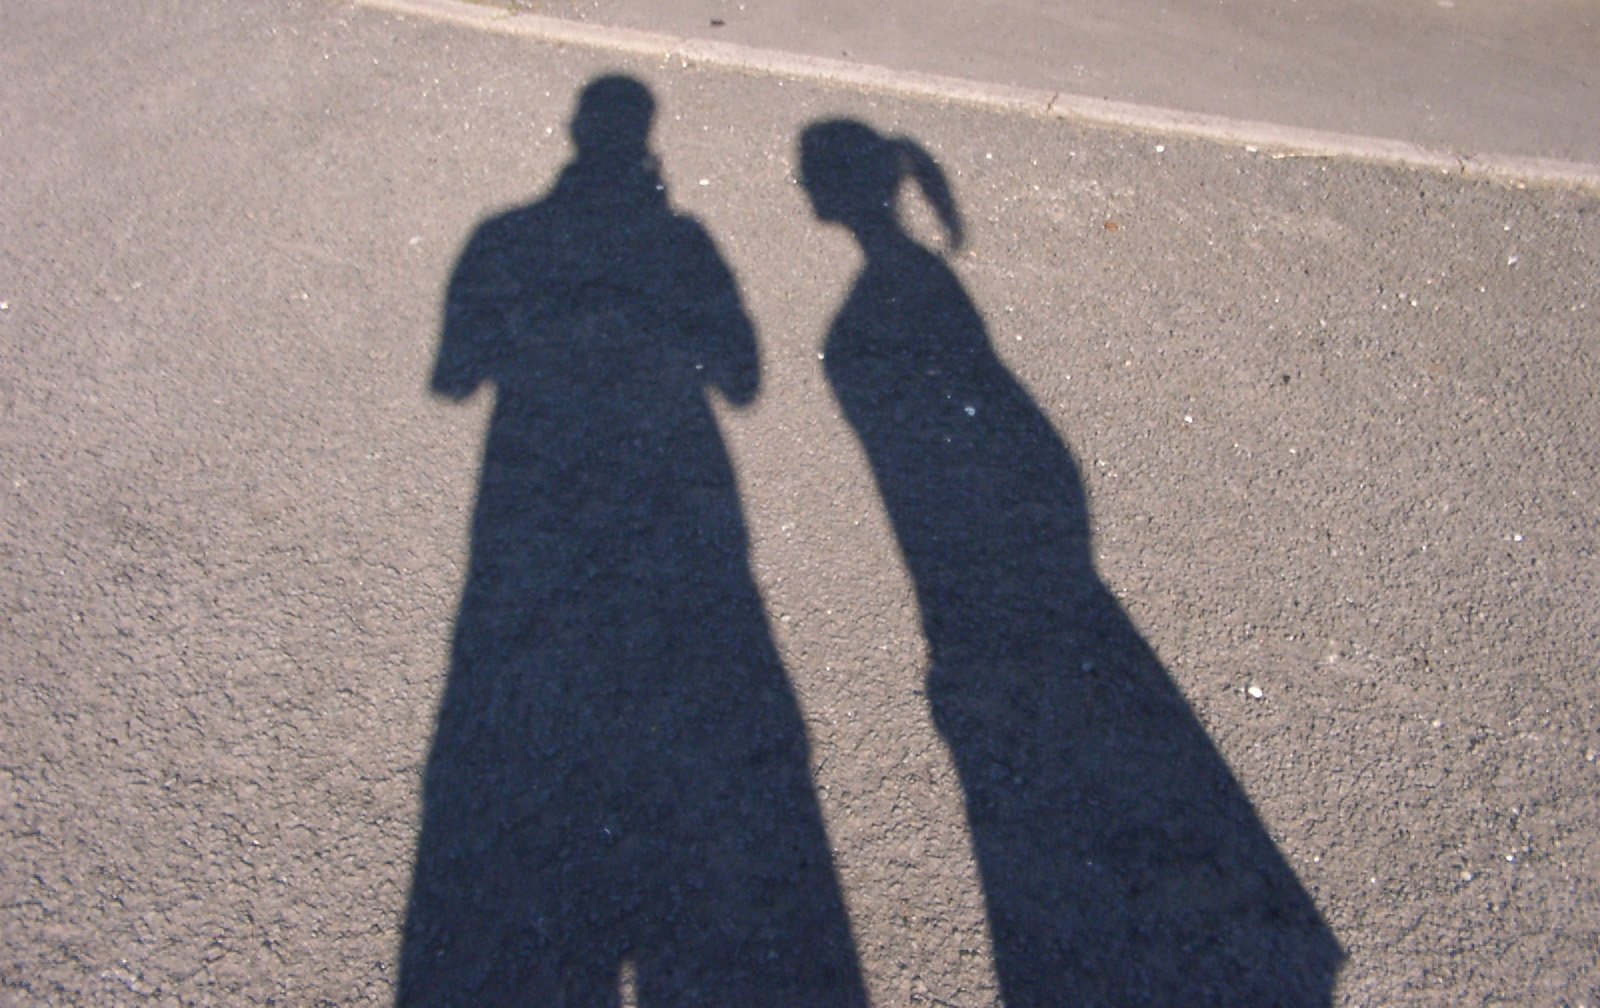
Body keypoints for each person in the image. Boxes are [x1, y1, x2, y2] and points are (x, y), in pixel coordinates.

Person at [801, 118, 1342, 1006]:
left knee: (1033, 771)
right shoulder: (912, 294)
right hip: (1035, 566)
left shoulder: (865, 320)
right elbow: (1025, 442)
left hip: (977, 586)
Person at [397, 78, 865, 1007]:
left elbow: (455, 376)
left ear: (575, 133)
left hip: (531, 514)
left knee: (525, 719)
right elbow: (741, 376)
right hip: (680, 519)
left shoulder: (504, 237)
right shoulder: (685, 244)